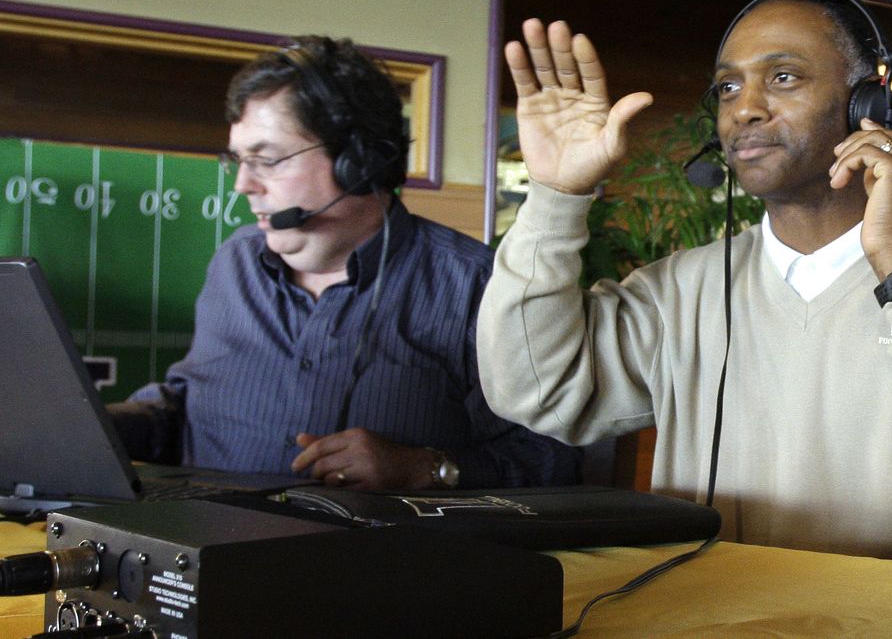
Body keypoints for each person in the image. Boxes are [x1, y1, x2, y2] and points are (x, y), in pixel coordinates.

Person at [477, 0, 892, 570]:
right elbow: (534, 390)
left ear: (869, 103)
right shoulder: (679, 290)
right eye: (728, 87)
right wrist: (556, 196)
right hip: (709, 620)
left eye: (783, 77)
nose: (745, 108)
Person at [110, 36, 580, 491]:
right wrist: (96, 423)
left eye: (267, 160)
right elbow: (192, 406)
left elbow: (553, 458)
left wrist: (427, 468)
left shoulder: (476, 286)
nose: (243, 185)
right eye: (238, 160)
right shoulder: (235, 263)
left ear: (360, 162)